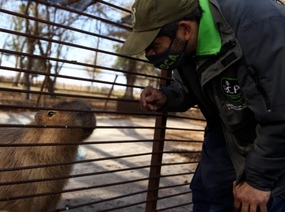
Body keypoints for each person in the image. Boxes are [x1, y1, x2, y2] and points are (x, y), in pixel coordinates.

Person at [120, 0, 285, 211]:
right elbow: (191, 86)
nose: (149, 55)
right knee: (208, 197)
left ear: (184, 29)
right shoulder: (186, 44)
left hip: (276, 134)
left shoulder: (260, 24)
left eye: (153, 46)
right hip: (228, 128)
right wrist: (168, 96)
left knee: (266, 202)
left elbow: (280, 112)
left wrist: (258, 180)